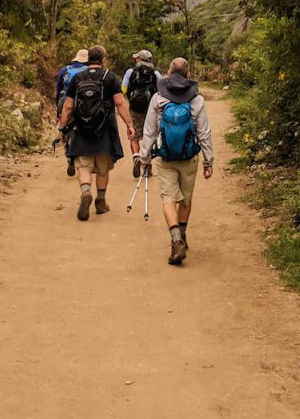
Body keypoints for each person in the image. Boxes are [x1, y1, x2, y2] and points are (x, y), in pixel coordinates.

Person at [139, 57, 214, 265]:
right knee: (186, 200)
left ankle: (175, 240)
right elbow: (204, 132)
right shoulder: (196, 100)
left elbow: (149, 131)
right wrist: (209, 160)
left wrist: (144, 158)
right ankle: (182, 235)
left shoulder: (158, 98)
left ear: (168, 74)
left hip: (165, 158)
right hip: (189, 158)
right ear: (188, 75)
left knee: (168, 199)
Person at [57, 45, 134, 221]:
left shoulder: (78, 78)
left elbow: (68, 106)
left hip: (82, 129)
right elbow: (120, 103)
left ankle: (85, 192)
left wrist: (62, 128)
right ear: (102, 60)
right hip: (104, 129)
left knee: (83, 165)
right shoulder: (110, 77)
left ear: (87, 60)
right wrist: (129, 124)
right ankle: (100, 201)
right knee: (102, 168)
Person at [121, 50, 163, 178]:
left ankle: (136, 157)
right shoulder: (156, 74)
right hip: (151, 110)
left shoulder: (130, 72)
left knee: (134, 136)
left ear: (139, 59)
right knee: (148, 136)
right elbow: (161, 92)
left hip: (134, 109)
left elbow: (123, 90)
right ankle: (147, 168)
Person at [54, 49, 89, 177]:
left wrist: (58, 107)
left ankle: (69, 156)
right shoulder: (88, 71)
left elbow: (58, 89)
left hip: (65, 103)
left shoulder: (65, 70)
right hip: (83, 104)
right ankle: (80, 154)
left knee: (65, 130)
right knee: (81, 129)